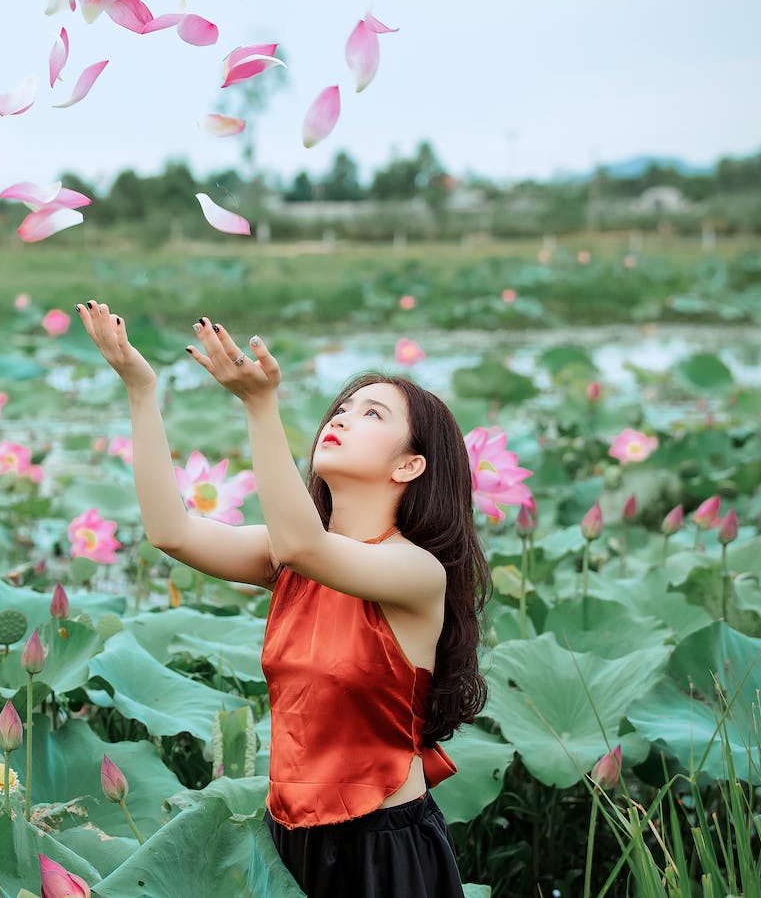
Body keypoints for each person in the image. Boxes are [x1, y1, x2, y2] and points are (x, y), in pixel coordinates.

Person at [77, 300, 488, 897]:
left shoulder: (415, 571)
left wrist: (259, 403)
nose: (341, 419)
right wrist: (142, 389)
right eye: (341, 408)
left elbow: (304, 546)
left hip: (383, 845)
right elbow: (172, 531)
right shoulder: (289, 555)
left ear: (410, 465)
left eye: (371, 413)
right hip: (289, 838)